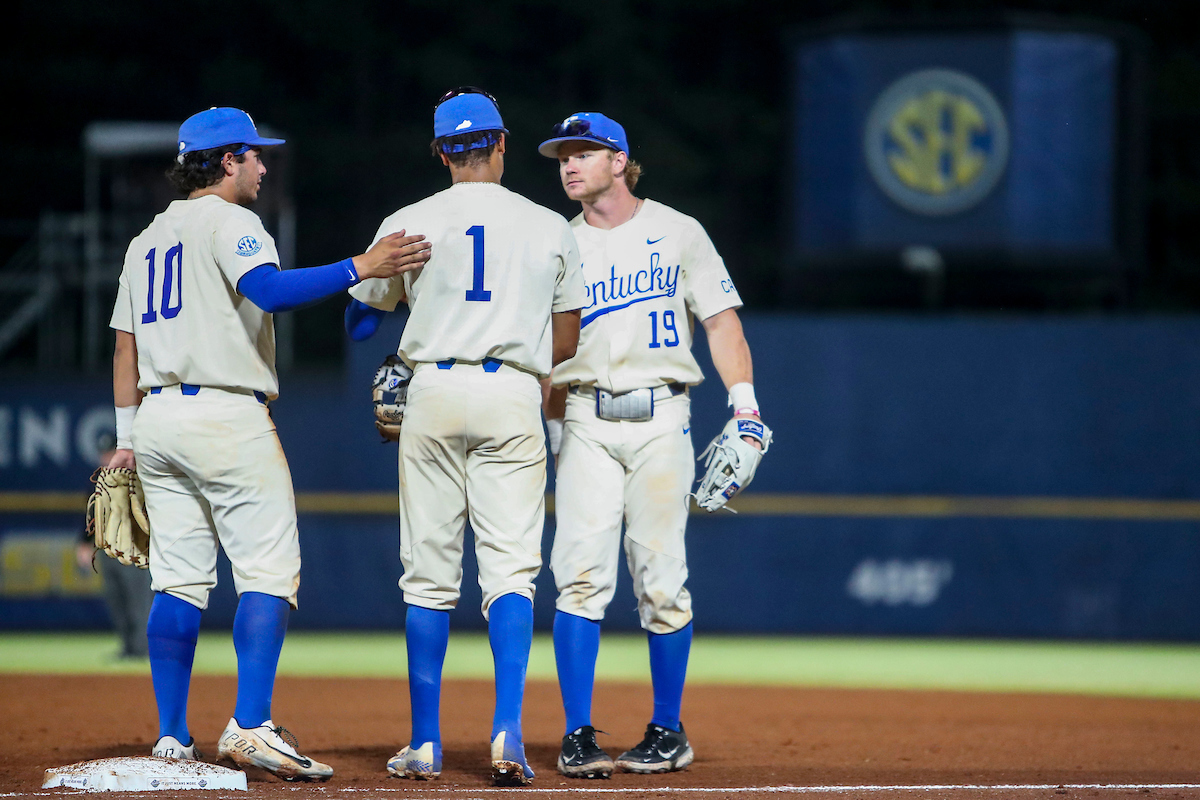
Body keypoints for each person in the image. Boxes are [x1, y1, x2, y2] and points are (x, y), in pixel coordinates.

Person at [108, 106, 430, 780]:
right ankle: (250, 724)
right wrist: (361, 265)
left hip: (159, 417)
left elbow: (125, 345)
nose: (262, 165)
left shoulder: (147, 238)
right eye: (254, 155)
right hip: (226, 414)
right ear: (226, 159)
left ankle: (172, 737)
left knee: (178, 580)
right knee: (268, 571)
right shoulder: (232, 222)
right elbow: (270, 292)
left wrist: (127, 438)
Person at [344, 87, 585, 786]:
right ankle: (507, 731)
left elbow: (362, 320)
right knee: (511, 571)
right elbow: (565, 340)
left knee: (428, 574)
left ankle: (425, 742)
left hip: (435, 391)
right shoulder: (547, 225)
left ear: (441, 152)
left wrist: (397, 303)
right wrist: (546, 405)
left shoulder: (410, 221)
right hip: (514, 390)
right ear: (502, 143)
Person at [537, 113, 768, 778]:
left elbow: (721, 325)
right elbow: (550, 353)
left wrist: (746, 407)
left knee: (662, 581)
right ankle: (578, 734)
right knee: (578, 578)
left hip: (665, 417)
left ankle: (668, 729)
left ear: (620, 159)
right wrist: (553, 429)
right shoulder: (559, 243)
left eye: (583, 153)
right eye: (562, 156)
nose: (569, 165)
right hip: (583, 417)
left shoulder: (678, 231)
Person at [76, 431, 153, 661]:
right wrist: (83, 543)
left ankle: (143, 649)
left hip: (133, 549)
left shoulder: (137, 479)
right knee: (117, 600)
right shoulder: (98, 481)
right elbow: (91, 517)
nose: (106, 457)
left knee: (139, 601)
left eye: (110, 452)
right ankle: (128, 647)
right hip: (107, 551)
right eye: (104, 453)